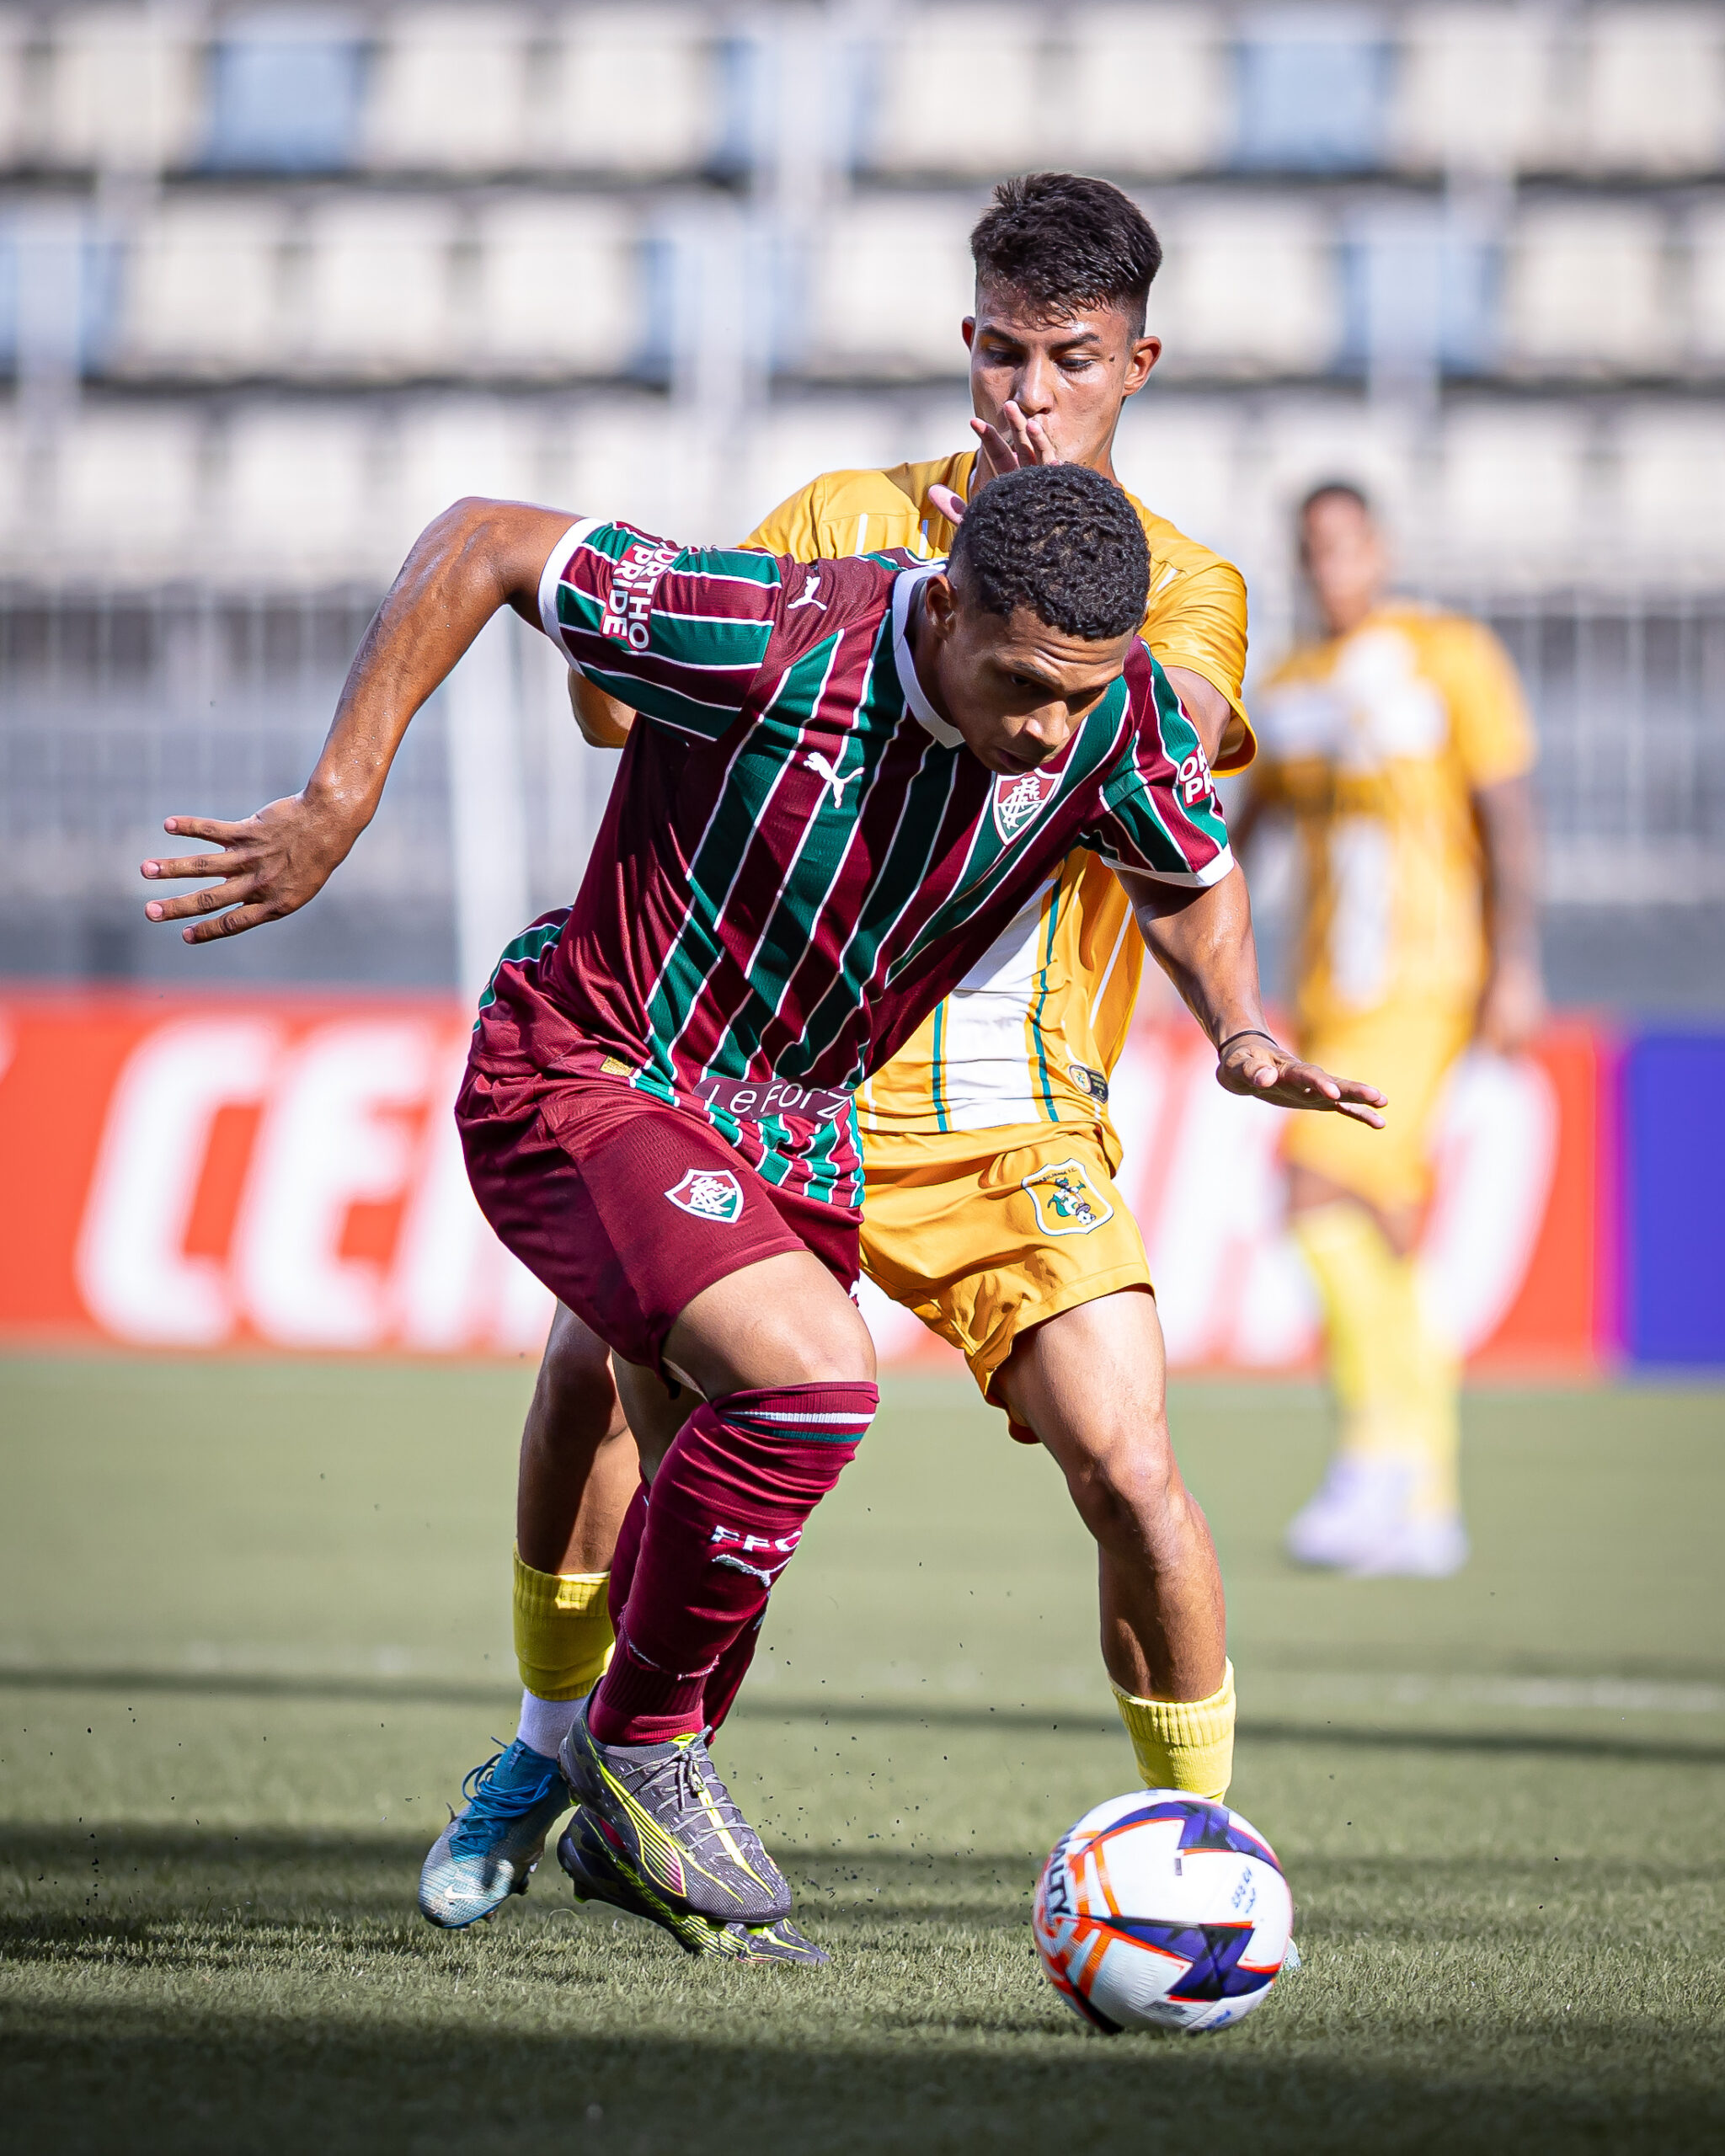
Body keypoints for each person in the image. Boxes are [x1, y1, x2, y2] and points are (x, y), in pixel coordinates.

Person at [141, 462, 1383, 1963]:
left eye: (1080, 696)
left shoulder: (1097, 717)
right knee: (808, 1381)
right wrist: (342, 797)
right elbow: (481, 542)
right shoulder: (774, 634)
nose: (1051, 729)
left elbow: (1184, 869)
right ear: (953, 607)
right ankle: (624, 1749)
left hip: (790, 1128)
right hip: (588, 1070)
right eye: (1025, 685)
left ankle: (631, 1810)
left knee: (711, 1517)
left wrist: (1240, 1027)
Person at [417, 173, 1270, 1947]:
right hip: (759, 1061)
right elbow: (648, 688)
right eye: (1002, 355)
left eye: (1071, 362)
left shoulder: (1171, 589)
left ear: (1136, 366)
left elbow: (1152, 744)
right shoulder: (839, 519)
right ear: (967, 345)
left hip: (998, 1102)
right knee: (597, 1363)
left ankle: (1196, 1852)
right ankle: (554, 1749)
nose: (1026, 396)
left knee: (1128, 1463)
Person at [1241, 482, 1543, 1577]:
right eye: (1311, 549)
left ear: (1380, 549)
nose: (1330, 568)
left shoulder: (1447, 655)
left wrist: (1515, 962)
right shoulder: (1288, 690)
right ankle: (1427, 1498)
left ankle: (1373, 1462)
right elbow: (1241, 832)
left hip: (1425, 982)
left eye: (1346, 546)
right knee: (1387, 1232)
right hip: (1331, 995)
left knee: (1314, 1190)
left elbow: (1506, 812)